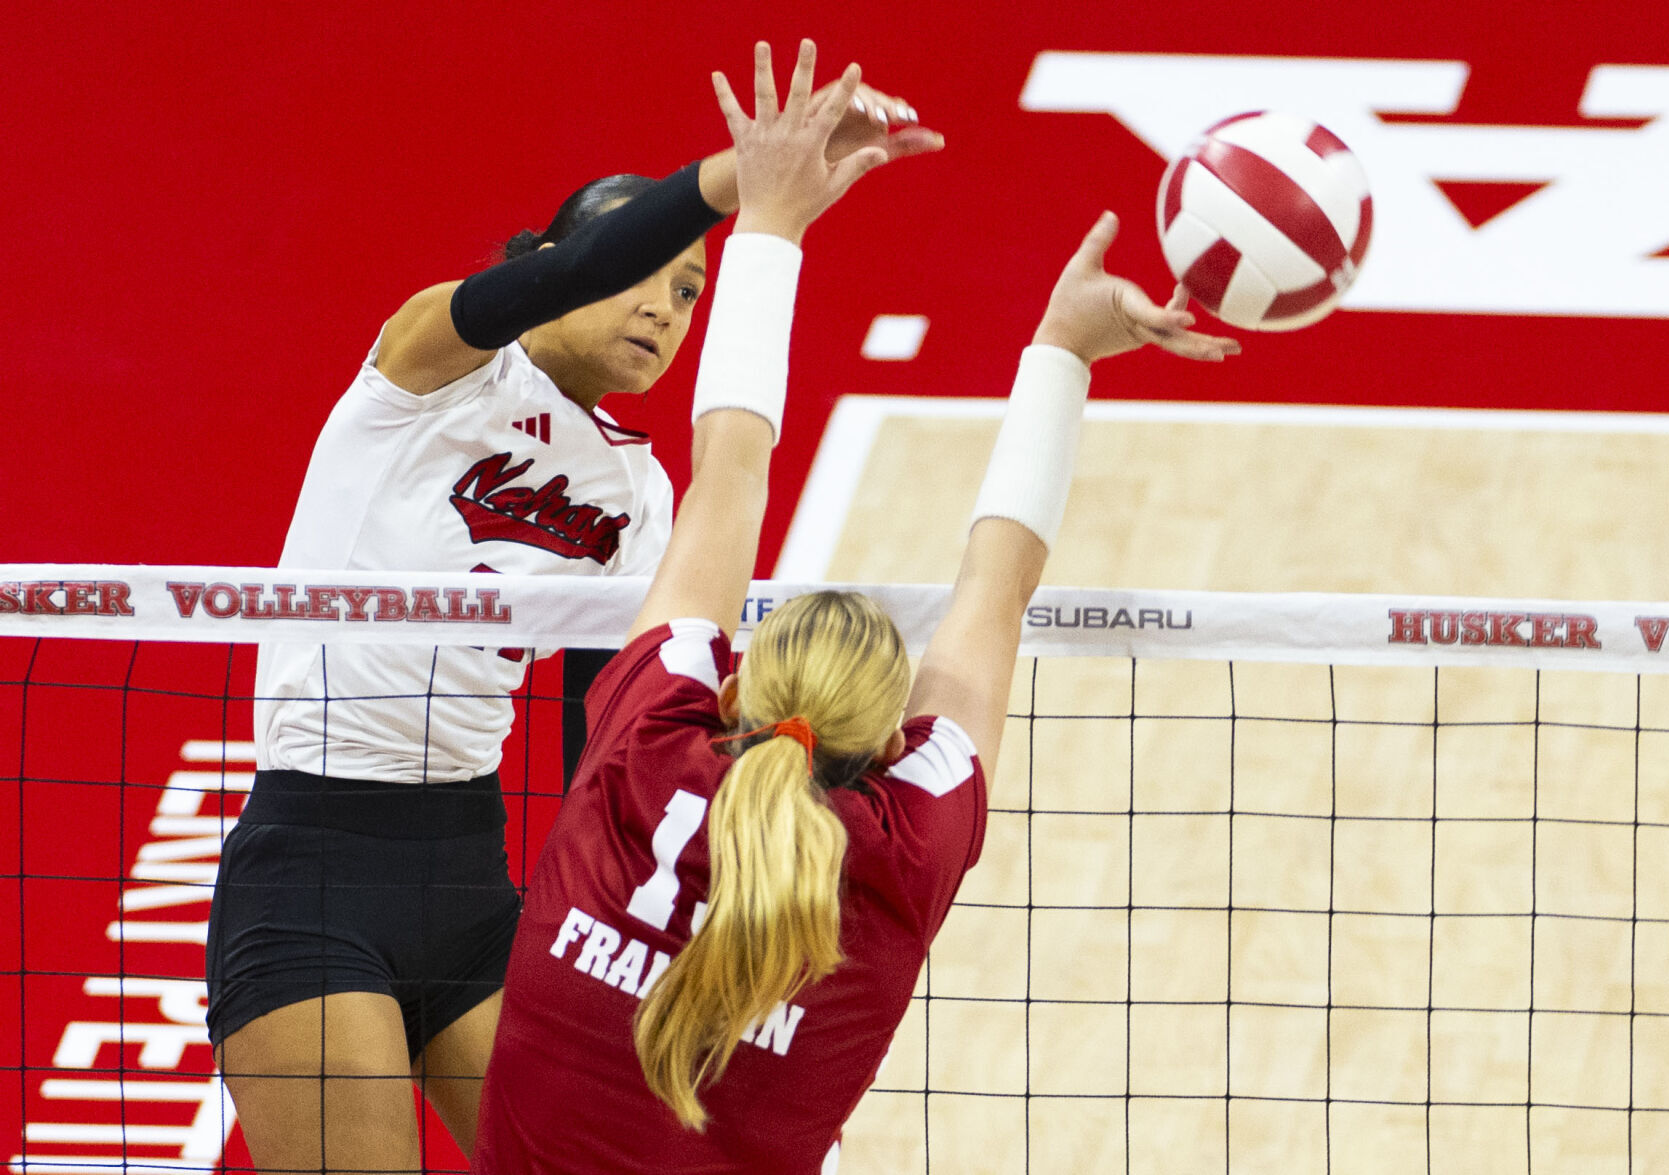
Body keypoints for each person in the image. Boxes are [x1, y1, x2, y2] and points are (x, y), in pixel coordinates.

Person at [472, 38, 1240, 1175]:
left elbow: (729, 470)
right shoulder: (896, 848)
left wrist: (769, 217)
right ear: (887, 744)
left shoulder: (647, 745)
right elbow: (997, 591)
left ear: (735, 684)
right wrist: (1063, 351)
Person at [205, 44, 940, 1174]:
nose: (662, 306)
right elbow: (574, 268)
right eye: (642, 271)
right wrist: (746, 178)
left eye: (691, 294)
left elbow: (607, 732)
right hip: (313, 867)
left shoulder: (639, 496)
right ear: (556, 262)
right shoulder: (426, 370)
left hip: (477, 882)